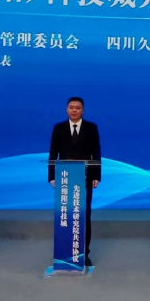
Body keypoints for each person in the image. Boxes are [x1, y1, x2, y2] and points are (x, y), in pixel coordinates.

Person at [48, 96, 101, 266]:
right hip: (65, 178)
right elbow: (53, 153)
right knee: (66, 214)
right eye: (71, 107)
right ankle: (65, 252)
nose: (74, 110)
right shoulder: (59, 128)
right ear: (67, 109)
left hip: (85, 178)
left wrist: (96, 176)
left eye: (77, 108)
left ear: (82, 110)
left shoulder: (91, 128)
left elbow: (96, 153)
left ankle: (84, 253)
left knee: (84, 215)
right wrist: (52, 176)